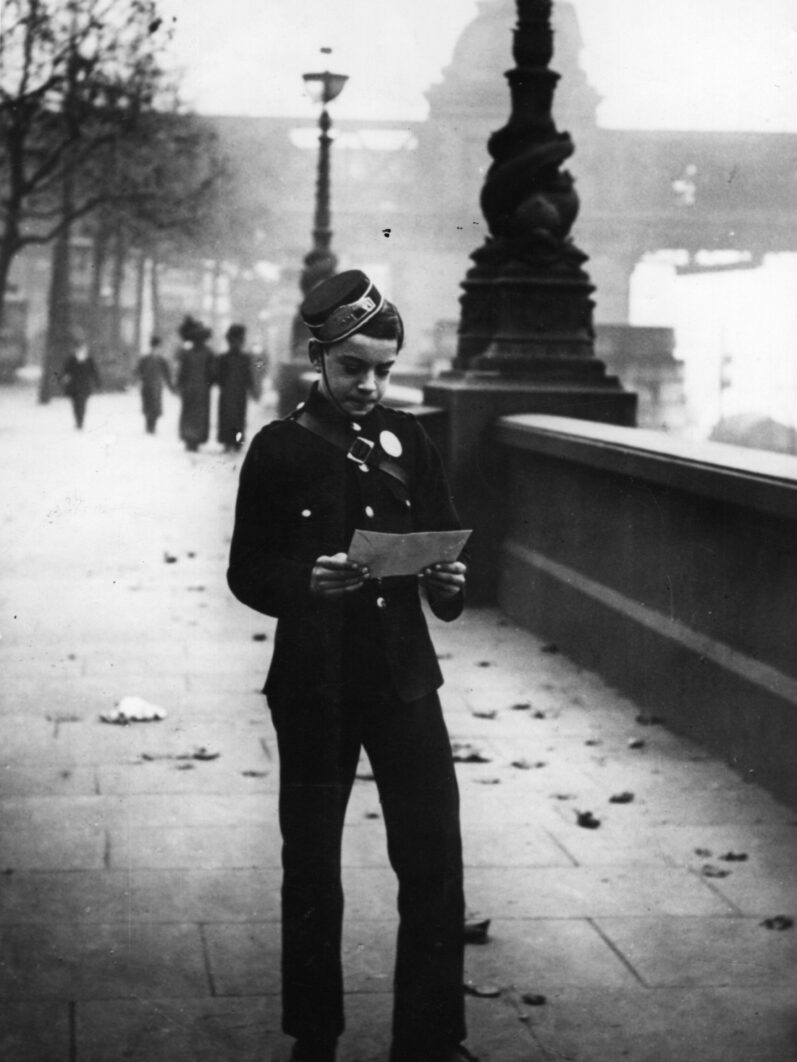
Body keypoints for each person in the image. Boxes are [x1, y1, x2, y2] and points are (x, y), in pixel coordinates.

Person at [227, 270, 477, 1062]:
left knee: (433, 859)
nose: (368, 385)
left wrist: (449, 586)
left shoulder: (412, 440)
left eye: (382, 370)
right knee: (311, 865)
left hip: (404, 678)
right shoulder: (278, 448)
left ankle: (429, 1041)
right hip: (314, 683)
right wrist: (306, 582)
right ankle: (315, 1037)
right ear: (317, 360)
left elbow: (446, 550)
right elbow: (246, 571)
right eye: (352, 368)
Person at [216, 323, 259, 452]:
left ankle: (236, 442)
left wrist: (252, 389)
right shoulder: (223, 358)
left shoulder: (245, 358)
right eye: (233, 341)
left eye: (238, 341)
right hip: (229, 392)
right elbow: (218, 375)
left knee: (238, 418)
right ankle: (227, 441)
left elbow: (248, 375)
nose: (235, 344)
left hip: (239, 393)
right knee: (227, 417)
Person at [175, 315, 215, 451]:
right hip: (202, 390)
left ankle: (189, 439)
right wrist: (208, 384)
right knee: (199, 415)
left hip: (190, 389)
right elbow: (212, 373)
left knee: (189, 414)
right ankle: (195, 439)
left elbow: (182, 373)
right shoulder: (208, 353)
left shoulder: (187, 353)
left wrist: (180, 385)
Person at [135, 335, 174, 434]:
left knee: (155, 408)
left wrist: (171, 387)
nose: (157, 349)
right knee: (148, 407)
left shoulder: (161, 360)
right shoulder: (146, 359)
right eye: (156, 347)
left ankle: (152, 427)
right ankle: (149, 427)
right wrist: (138, 381)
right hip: (147, 386)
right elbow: (138, 371)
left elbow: (167, 374)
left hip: (156, 387)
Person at [61, 336, 100, 430]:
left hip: (83, 385)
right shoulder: (72, 359)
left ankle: (80, 421)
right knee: (76, 404)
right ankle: (78, 420)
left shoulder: (88, 359)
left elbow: (93, 371)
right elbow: (66, 370)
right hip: (75, 385)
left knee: (81, 404)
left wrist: (97, 381)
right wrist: (63, 378)